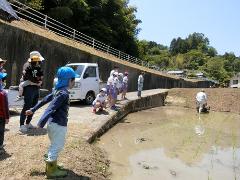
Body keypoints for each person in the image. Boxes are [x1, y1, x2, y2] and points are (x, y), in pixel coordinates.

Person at [25, 66, 78, 178]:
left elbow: (44, 100)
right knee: (58, 146)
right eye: (74, 80)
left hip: (52, 125)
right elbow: (51, 108)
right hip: (58, 125)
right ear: (69, 80)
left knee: (54, 145)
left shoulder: (57, 91)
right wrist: (40, 124)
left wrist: (33, 109)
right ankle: (51, 171)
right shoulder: (63, 94)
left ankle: (52, 165)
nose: (74, 82)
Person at [19, 51, 44, 133]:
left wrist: (40, 82)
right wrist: (37, 81)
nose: (39, 62)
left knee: (34, 107)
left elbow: (40, 78)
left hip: (35, 88)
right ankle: (22, 125)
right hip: (29, 88)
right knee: (27, 106)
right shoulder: (27, 65)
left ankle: (28, 123)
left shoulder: (37, 66)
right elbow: (28, 77)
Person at [0, 72, 9, 154]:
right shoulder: (3, 93)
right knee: (1, 132)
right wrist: (7, 117)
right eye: (2, 80)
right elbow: (4, 107)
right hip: (1, 117)